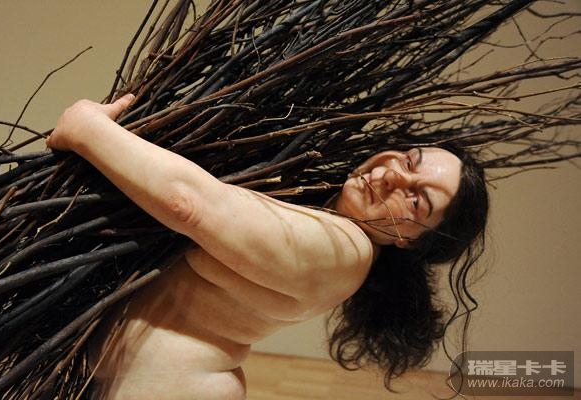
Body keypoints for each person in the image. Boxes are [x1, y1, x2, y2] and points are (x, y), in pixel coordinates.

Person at [46, 94, 488, 399]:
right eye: (410, 160)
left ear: (410, 241)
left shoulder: (346, 250)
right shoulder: (323, 209)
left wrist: (86, 127)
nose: (395, 176)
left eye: (417, 200)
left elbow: (189, 206)